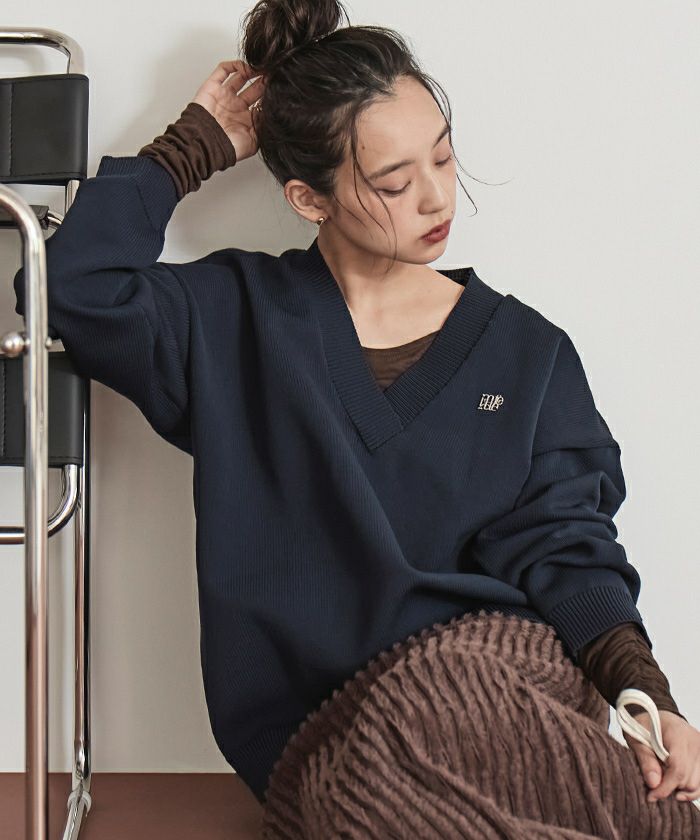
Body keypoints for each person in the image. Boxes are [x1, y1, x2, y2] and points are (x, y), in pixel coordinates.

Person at [13, 0, 699, 836]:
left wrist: (647, 694)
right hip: (330, 730)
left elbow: (566, 548)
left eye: (443, 155)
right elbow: (70, 289)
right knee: (378, 780)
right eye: (394, 182)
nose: (437, 196)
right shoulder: (230, 320)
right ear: (309, 198)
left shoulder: (529, 353)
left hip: (499, 680)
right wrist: (192, 148)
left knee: (451, 729)